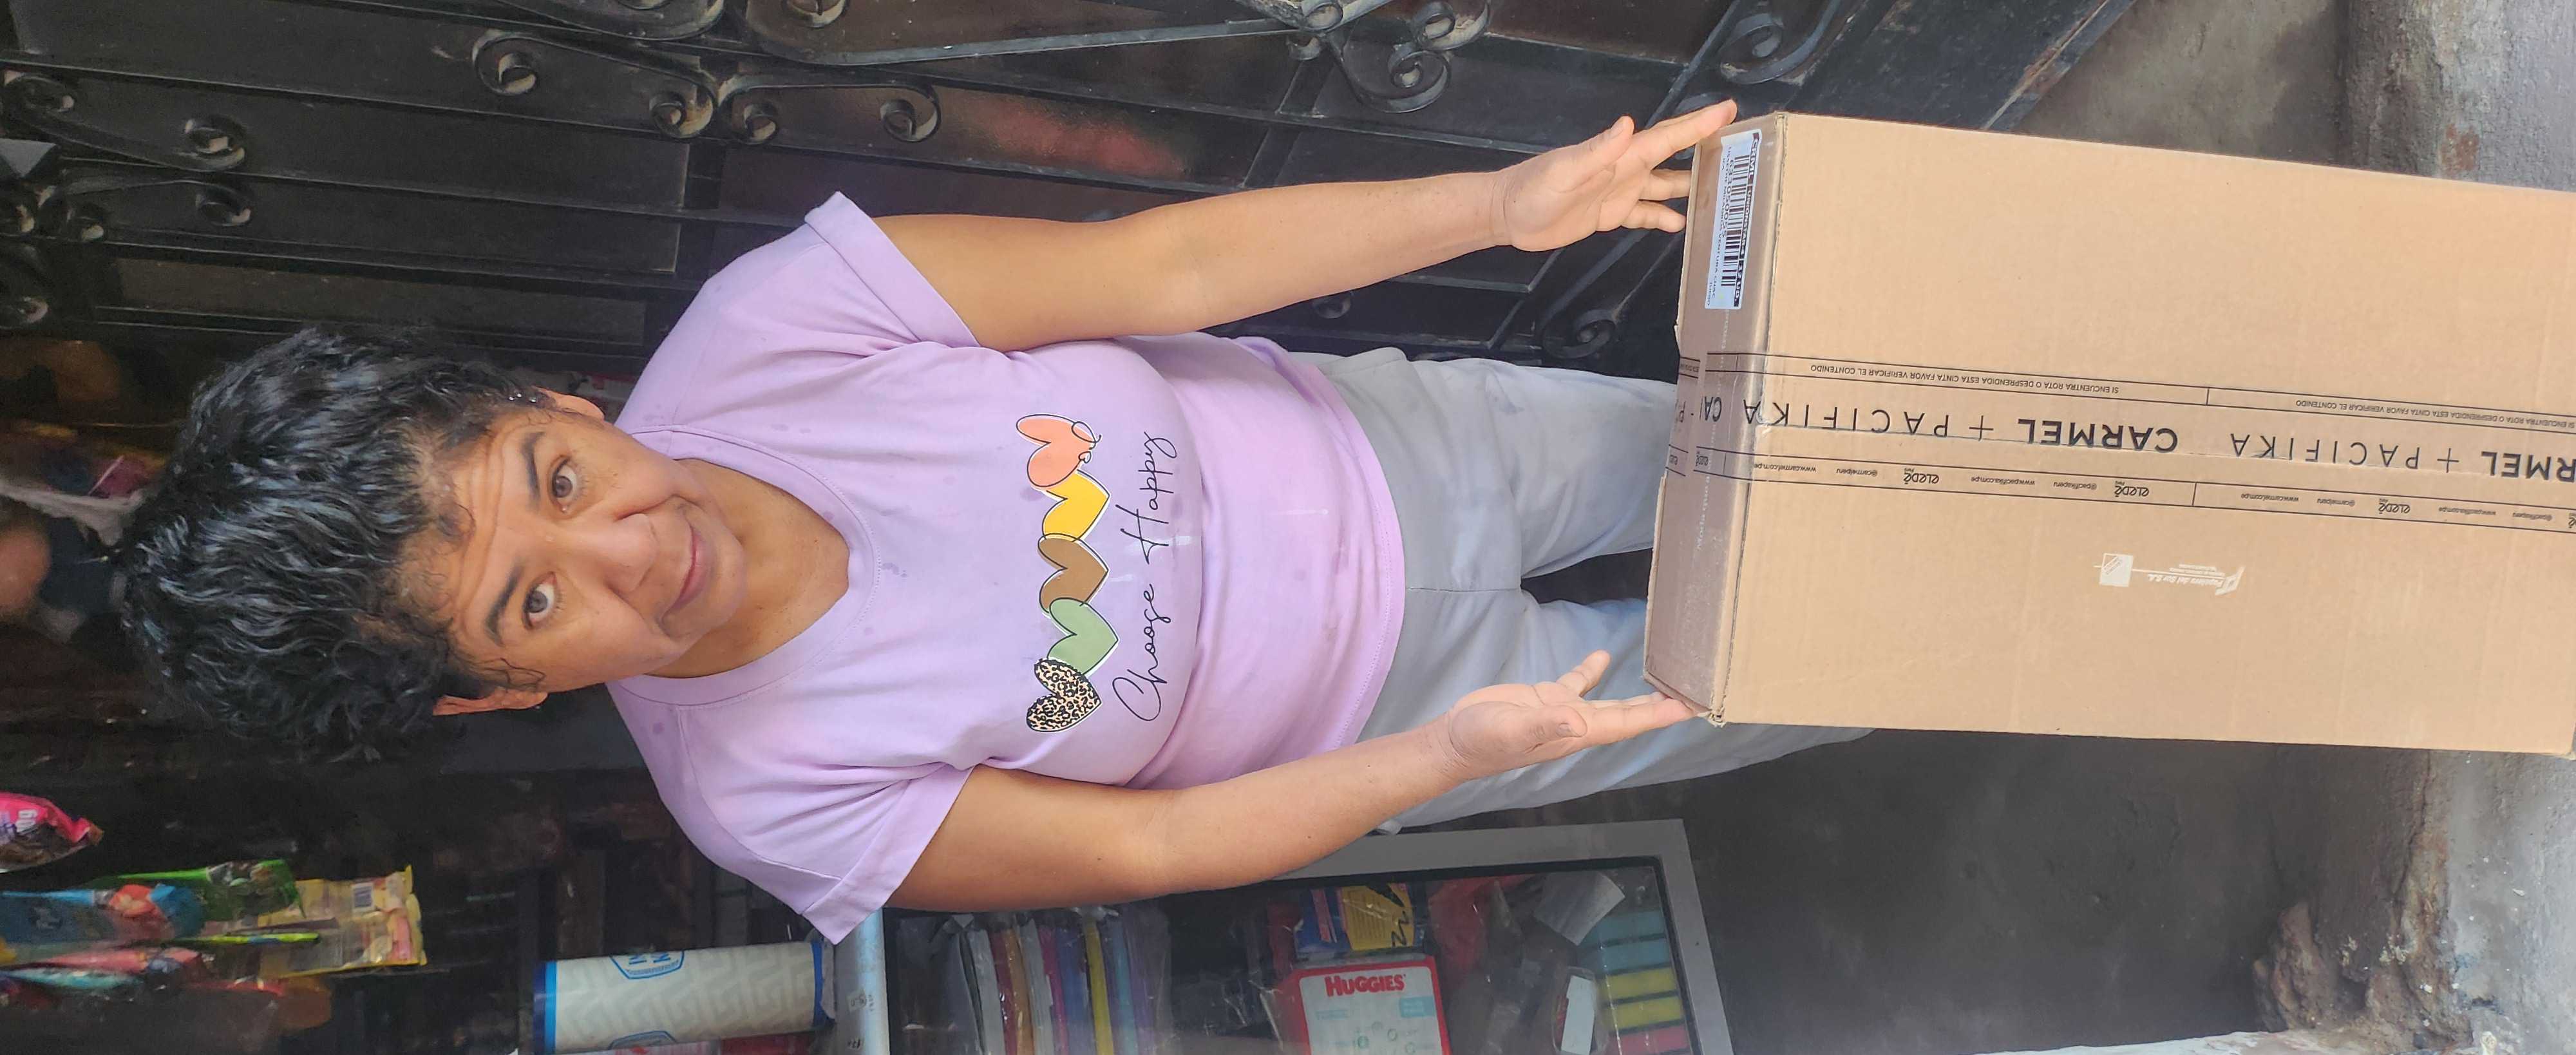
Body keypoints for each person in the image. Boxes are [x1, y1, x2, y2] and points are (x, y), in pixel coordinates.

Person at [117, 102, 1860, 940]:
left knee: (1838, 449)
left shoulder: (771, 329)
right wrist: (1448, 759)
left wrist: (1502, 200)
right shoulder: (765, 800)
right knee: (1841, 663)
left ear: (548, 406)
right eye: (532, 607)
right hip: (1412, 712)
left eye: (556, 482)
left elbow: (1170, 266)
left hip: (1428, 447)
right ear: (496, 692)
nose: (634, 549)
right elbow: (1158, 853)